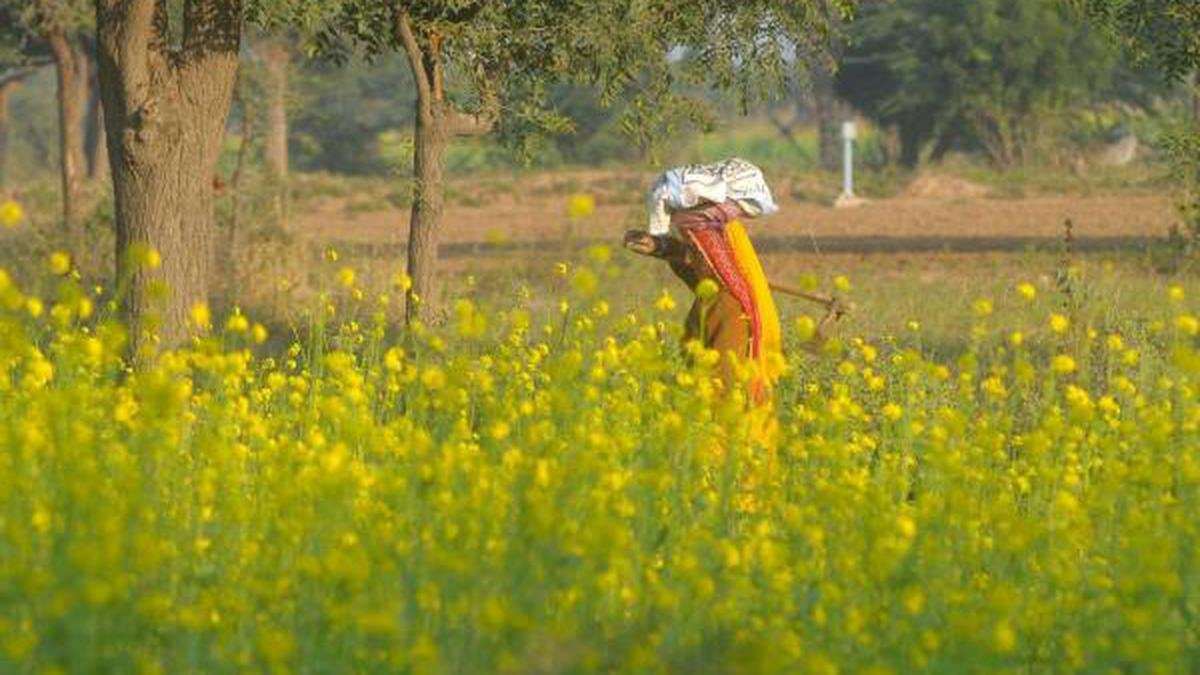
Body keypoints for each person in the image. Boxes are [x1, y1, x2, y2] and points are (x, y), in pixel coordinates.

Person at [624, 158, 783, 405]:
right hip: (710, 313)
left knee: (719, 402)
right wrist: (660, 246)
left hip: (729, 319)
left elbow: (700, 267)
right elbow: (695, 263)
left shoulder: (727, 234)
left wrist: (664, 247)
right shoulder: (707, 237)